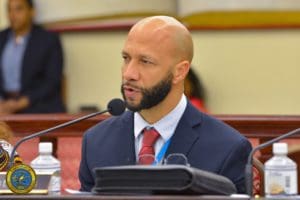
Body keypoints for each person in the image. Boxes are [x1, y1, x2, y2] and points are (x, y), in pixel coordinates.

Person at [79, 16, 252, 193]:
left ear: (180, 72)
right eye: (126, 58)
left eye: (145, 61)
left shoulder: (227, 148)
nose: (129, 73)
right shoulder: (95, 141)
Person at [0, 0, 65, 114]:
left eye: (18, 9)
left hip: (36, 104)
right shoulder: (2, 37)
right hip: (4, 105)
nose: (12, 15)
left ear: (32, 12)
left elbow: (52, 81)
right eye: (9, 10)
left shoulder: (48, 40)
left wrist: (20, 103)